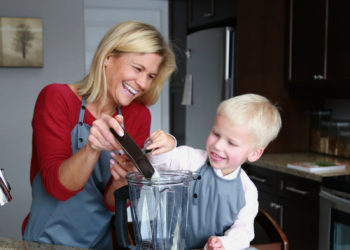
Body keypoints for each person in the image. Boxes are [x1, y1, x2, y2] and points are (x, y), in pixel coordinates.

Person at [22, 20, 176, 250]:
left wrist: (125, 179)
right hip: (45, 242)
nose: (143, 83)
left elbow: (113, 203)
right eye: (138, 69)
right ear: (108, 58)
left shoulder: (138, 116)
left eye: (151, 76)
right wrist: (92, 148)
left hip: (99, 243)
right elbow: (57, 187)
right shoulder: (56, 98)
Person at [139, 93, 282, 250]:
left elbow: (243, 232)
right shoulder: (190, 160)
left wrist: (224, 244)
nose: (218, 145)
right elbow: (159, 161)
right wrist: (163, 144)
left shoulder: (247, 191)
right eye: (216, 134)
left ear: (254, 153)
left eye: (231, 143)